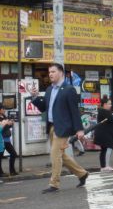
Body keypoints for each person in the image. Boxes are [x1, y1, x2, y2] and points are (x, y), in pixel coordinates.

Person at [30, 63, 89, 193]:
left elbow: (74, 111)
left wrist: (79, 130)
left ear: (61, 73)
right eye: (49, 72)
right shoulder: (50, 89)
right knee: (61, 155)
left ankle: (54, 184)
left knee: (55, 154)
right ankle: (82, 174)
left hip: (63, 128)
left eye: (53, 71)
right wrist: (34, 97)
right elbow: (44, 107)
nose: (50, 74)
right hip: (52, 126)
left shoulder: (69, 89)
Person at [94, 96, 113, 172]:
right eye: (109, 104)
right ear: (104, 104)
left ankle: (103, 166)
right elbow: (112, 117)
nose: (110, 105)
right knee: (109, 148)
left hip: (105, 134)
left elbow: (112, 116)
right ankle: (106, 166)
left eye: (110, 104)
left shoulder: (105, 111)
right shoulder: (103, 111)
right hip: (104, 134)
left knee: (104, 150)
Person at [0, 104, 18, 176]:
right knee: (1, 156)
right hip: (2, 139)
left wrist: (10, 124)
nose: (4, 110)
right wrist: (7, 124)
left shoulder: (4, 116)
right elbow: (1, 128)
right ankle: (1, 173)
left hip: (7, 139)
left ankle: (12, 170)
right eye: (3, 108)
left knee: (13, 154)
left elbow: (7, 126)